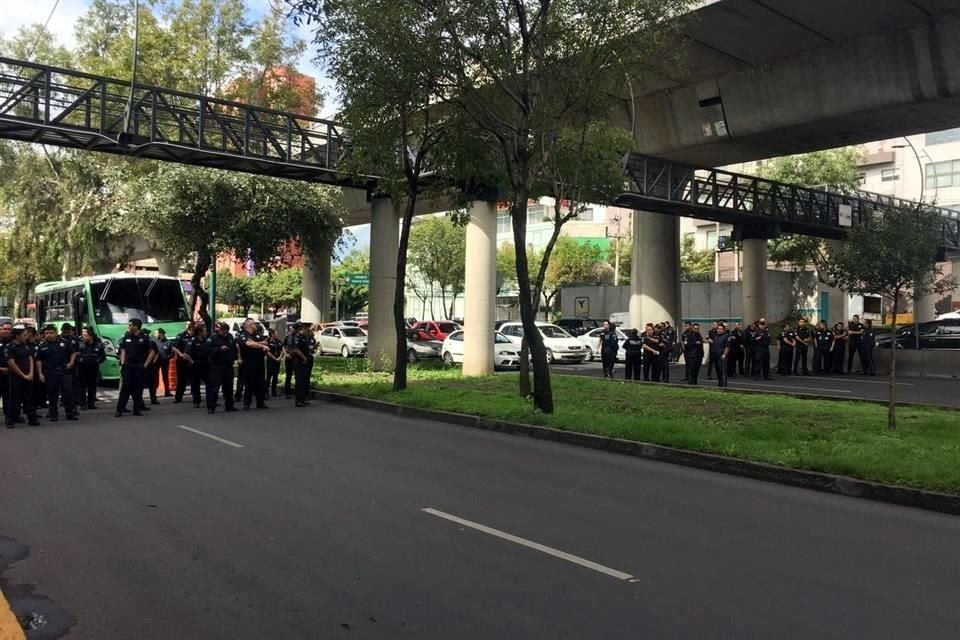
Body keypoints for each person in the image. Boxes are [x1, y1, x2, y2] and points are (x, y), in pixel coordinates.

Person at [36, 324, 79, 422]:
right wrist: (40, 374)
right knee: (52, 395)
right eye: (46, 333)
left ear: (55, 333)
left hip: (64, 371)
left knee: (68, 393)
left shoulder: (64, 343)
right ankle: (53, 414)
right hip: (50, 372)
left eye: (51, 333)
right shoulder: (42, 346)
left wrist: (71, 362)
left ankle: (70, 413)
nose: (49, 335)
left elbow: (72, 353)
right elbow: (38, 360)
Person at [116, 319, 153, 418]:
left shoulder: (144, 338)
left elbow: (151, 352)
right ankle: (119, 410)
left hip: (139, 366)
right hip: (128, 366)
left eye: (130, 325)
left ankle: (137, 410)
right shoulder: (127, 336)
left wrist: (145, 364)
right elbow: (123, 350)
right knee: (125, 388)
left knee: (138, 389)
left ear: (136, 326)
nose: (128, 327)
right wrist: (122, 363)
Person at [5, 326, 39, 428]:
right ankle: (10, 420)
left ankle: (32, 418)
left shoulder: (26, 346)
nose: (26, 336)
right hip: (16, 376)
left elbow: (30, 359)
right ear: (17, 336)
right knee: (15, 399)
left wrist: (31, 373)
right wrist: (23, 375)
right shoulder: (10, 347)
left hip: (28, 375)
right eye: (24, 335)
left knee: (29, 398)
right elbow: (11, 363)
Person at [206, 322, 238, 414]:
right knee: (215, 387)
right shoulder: (213, 338)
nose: (225, 334)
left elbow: (234, 348)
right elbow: (207, 350)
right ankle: (211, 406)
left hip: (228, 365)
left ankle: (229, 405)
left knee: (229, 386)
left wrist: (234, 357)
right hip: (217, 366)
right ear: (219, 331)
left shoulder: (230, 337)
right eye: (223, 332)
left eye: (226, 332)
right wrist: (219, 349)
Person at [238, 318, 269, 410]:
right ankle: (247, 403)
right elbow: (248, 344)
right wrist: (261, 345)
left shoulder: (257, 334)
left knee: (260, 382)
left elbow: (266, 342)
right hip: (249, 361)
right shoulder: (243, 334)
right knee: (249, 382)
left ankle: (260, 402)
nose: (255, 325)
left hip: (259, 361)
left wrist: (256, 343)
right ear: (249, 325)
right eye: (254, 324)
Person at [77, 326, 105, 410]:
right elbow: (74, 354)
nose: (83, 337)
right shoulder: (79, 342)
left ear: (91, 336)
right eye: (83, 335)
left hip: (93, 368)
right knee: (82, 387)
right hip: (82, 368)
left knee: (92, 386)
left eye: (85, 335)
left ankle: (91, 403)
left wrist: (96, 361)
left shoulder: (98, 343)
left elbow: (103, 356)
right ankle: (82, 404)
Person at [287, 322, 311, 407]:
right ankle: (298, 400)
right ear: (302, 330)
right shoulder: (297, 337)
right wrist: (304, 358)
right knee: (299, 381)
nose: (307, 331)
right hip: (299, 361)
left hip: (304, 362)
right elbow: (296, 349)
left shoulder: (304, 337)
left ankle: (303, 399)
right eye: (306, 329)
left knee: (304, 380)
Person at [60, 323, 82, 408]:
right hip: (63, 363)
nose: (66, 332)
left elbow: (81, 350)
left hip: (74, 364)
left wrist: (75, 354)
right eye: (64, 330)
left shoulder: (75, 339)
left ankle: (75, 399)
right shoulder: (59, 339)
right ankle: (63, 399)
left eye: (67, 330)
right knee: (63, 384)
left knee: (74, 383)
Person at [188, 324, 210, 408]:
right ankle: (196, 401)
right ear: (199, 332)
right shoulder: (193, 340)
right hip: (196, 364)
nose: (206, 332)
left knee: (209, 383)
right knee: (195, 384)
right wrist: (192, 362)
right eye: (204, 331)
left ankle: (210, 400)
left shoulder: (207, 340)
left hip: (205, 364)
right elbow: (186, 354)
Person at [171, 322, 194, 403]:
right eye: (193, 331)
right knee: (182, 380)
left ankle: (196, 397)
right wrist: (180, 354)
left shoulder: (195, 336)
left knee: (194, 378)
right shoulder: (181, 335)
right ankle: (178, 397)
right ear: (189, 329)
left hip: (192, 360)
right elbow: (174, 347)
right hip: (182, 361)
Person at [710, 323, 732, 387]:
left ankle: (724, 386)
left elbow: (727, 347)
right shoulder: (716, 337)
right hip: (716, 357)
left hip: (722, 357)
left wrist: (724, 354)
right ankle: (720, 384)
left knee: (722, 372)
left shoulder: (726, 336)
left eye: (721, 329)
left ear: (724, 330)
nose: (719, 330)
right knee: (718, 372)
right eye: (718, 329)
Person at [265, 328, 284, 397]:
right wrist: (274, 358)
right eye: (276, 333)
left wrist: (280, 357)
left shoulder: (278, 341)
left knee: (275, 377)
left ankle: (274, 391)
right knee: (268, 377)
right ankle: (266, 392)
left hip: (277, 361)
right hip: (271, 361)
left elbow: (282, 349)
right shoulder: (267, 341)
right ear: (272, 334)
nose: (277, 335)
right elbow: (267, 352)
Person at [155, 328, 173, 397]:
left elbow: (172, 353)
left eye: (156, 333)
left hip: (165, 362)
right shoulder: (155, 342)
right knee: (155, 377)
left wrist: (168, 357)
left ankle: (167, 392)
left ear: (161, 333)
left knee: (165, 377)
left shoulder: (168, 342)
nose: (155, 335)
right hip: (156, 362)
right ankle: (154, 394)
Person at [0, 322, 12, 423]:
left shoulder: (14, 343)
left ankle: (9, 418)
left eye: (9, 329)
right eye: (4, 329)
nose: (6, 331)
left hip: (10, 374)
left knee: (8, 396)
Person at [283, 324, 296, 399]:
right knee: (288, 375)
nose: (292, 330)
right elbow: (284, 347)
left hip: (295, 358)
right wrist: (286, 354)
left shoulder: (297, 337)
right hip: (288, 358)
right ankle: (287, 392)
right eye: (291, 329)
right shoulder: (288, 337)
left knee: (297, 375)